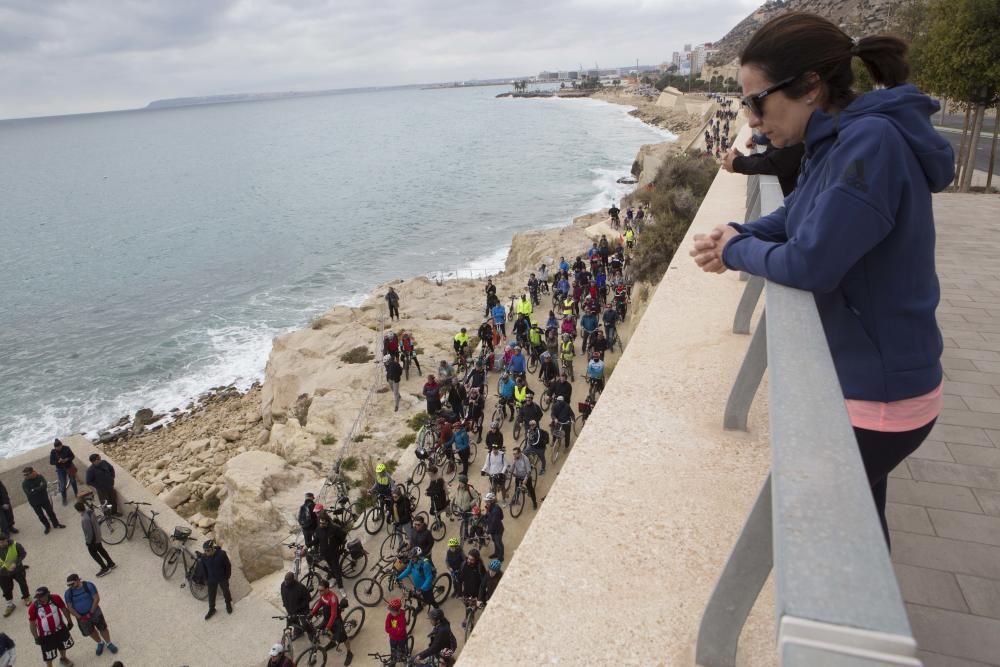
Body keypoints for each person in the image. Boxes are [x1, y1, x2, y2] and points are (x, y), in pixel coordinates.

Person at [690, 12, 952, 546]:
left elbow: (812, 263)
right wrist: (740, 232)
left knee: (829, 535)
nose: (753, 119)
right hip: (862, 380)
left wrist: (740, 252)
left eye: (756, 101)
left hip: (880, 394)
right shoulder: (834, 141)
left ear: (810, 86)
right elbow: (796, 217)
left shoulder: (869, 144)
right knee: (860, 528)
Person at [723, 138, 805, 197]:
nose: (752, 123)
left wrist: (737, 163)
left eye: (760, 113)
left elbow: (771, 163)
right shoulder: (785, 137)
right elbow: (769, 157)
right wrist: (740, 159)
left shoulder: (798, 142)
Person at [63, 574, 118, 656]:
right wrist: (80, 617)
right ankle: (100, 642)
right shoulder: (68, 593)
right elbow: (70, 607)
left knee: (102, 627)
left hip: (95, 612)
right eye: (69, 585)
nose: (71, 586)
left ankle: (109, 643)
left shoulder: (88, 586)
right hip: (81, 617)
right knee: (90, 631)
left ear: (78, 580)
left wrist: (90, 613)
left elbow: (96, 598)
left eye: (72, 584)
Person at [27, 586, 74, 667]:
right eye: (38, 597)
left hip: (60, 629)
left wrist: (69, 621)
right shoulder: (33, 607)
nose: (40, 599)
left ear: (47, 594)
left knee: (62, 645)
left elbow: (64, 609)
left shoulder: (56, 598)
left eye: (41, 596)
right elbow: (32, 624)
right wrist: (36, 637)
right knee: (48, 653)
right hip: (46, 635)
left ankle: (63, 658)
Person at [310, 579, 353, 665]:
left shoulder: (332, 598)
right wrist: (312, 613)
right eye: (318, 590)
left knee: (343, 638)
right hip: (327, 618)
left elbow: (333, 615)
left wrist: (327, 627)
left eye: (321, 590)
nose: (320, 592)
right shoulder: (323, 595)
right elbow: (319, 603)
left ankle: (349, 653)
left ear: (327, 589)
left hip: (335, 620)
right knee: (321, 631)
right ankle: (333, 642)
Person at [74, 501, 116, 577]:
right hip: (98, 536)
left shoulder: (84, 519)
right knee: (102, 550)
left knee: (94, 553)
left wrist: (88, 542)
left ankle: (104, 568)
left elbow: (89, 532)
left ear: (78, 510)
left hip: (93, 540)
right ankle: (111, 563)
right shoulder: (90, 512)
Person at [22, 467, 65, 534]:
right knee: (41, 515)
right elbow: (29, 493)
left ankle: (56, 524)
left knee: (50, 512)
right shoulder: (24, 483)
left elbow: (44, 485)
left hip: (44, 499)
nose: (25, 476)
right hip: (34, 503)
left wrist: (34, 489)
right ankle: (47, 526)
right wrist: (39, 488)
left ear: (32, 472)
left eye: (27, 474)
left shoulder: (39, 477)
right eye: (24, 475)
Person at [199, 539, 233, 619]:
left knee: (226, 592)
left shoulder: (222, 554)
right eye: (205, 551)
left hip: (222, 578)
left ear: (213, 548)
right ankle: (212, 609)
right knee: (211, 594)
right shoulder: (204, 557)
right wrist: (206, 579)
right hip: (211, 579)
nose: (206, 552)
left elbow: (228, 566)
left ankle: (228, 604)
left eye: (208, 550)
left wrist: (227, 576)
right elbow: (204, 569)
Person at [314, 512, 347, 594]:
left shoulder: (334, 528)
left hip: (334, 553)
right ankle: (334, 579)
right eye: (320, 522)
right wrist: (307, 546)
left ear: (327, 521)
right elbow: (316, 540)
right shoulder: (318, 529)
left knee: (337, 570)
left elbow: (343, 535)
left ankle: (341, 587)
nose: (321, 524)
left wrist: (337, 544)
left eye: (323, 523)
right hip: (325, 554)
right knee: (331, 568)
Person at [0, 533, 30, 616]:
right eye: (0, 542)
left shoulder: (15, 545)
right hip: (3, 574)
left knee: (22, 583)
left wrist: (16, 563)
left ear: (7, 540)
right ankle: (10, 604)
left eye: (3, 542)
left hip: (17, 570)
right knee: (6, 589)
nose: (2, 544)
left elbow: (23, 553)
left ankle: (26, 597)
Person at [280, 571, 311, 638]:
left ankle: (312, 635)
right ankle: (298, 632)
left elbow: (308, 599)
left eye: (288, 581)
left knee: (305, 624)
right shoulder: (283, 585)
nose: (286, 583)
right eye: (285, 580)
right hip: (290, 609)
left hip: (301, 611)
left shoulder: (300, 587)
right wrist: (285, 604)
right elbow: (283, 595)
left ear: (292, 580)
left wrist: (299, 607)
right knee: (293, 622)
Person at [49, 439, 79, 507]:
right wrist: (58, 461)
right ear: (55, 447)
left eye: (60, 446)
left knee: (73, 481)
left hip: (69, 467)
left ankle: (77, 494)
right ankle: (64, 498)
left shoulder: (66, 448)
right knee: (62, 485)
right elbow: (51, 462)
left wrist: (67, 459)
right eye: (57, 447)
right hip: (60, 469)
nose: (59, 448)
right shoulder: (53, 452)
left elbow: (72, 456)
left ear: (61, 445)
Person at [452, 475, 477, 543]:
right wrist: (455, 504)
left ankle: (471, 537)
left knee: (472, 523)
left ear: (465, 483)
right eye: (459, 482)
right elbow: (456, 496)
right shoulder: (458, 488)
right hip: (461, 509)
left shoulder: (470, 489)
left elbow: (476, 498)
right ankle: (465, 535)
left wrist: (470, 505)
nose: (460, 484)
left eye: (461, 483)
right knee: (465, 522)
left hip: (468, 509)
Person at [483, 493, 505, 562]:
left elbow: (493, 523)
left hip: (497, 530)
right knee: (495, 541)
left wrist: (487, 532)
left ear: (491, 501)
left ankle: (501, 557)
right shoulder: (490, 508)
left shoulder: (495, 510)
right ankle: (496, 553)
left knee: (499, 543)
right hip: (493, 530)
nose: (486, 502)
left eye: (487, 501)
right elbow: (501, 517)